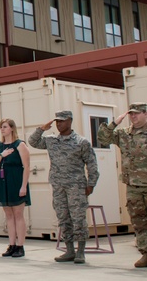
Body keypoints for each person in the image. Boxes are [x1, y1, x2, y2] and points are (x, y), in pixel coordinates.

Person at [99, 103, 147, 270]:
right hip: (133, 186)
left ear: (145, 114)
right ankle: (145, 253)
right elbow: (103, 138)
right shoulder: (123, 134)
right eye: (131, 114)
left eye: (137, 114)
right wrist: (115, 123)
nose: (133, 117)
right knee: (139, 221)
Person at [29, 110, 99, 264]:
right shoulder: (52, 140)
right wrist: (42, 129)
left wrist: (91, 184)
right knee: (63, 217)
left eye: (62, 121)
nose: (59, 124)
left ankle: (81, 251)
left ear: (70, 121)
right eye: (57, 121)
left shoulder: (81, 142)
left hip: (76, 186)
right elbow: (33, 142)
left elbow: (92, 164)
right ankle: (69, 250)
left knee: (78, 218)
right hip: (58, 186)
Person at [0, 118, 31, 258]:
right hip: (3, 182)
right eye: (1, 127)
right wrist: (1, 155)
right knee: (8, 215)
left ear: (12, 128)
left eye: (5, 126)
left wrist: (23, 186)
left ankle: (20, 246)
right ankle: (11, 244)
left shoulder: (20, 145)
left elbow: (26, 167)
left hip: (17, 181)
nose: (2, 129)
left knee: (18, 214)